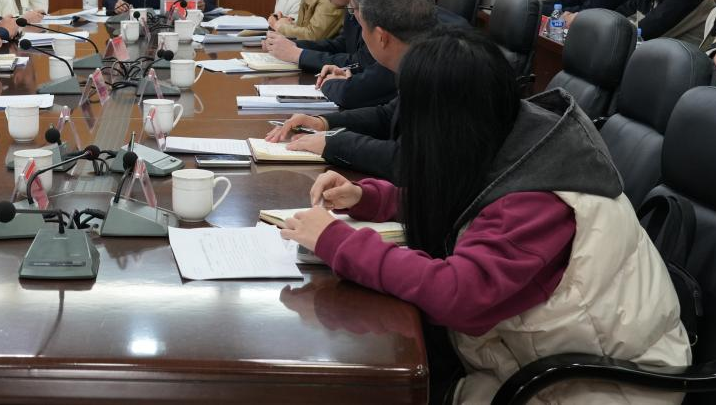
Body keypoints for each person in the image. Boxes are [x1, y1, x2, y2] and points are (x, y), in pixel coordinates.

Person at [278, 27, 689, 404]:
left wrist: (337, 241)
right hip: (534, 357)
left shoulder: (538, 196)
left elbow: (459, 295)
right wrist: (368, 197)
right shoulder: (510, 134)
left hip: (598, 387)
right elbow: (466, 200)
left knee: (366, 380)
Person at [266, 0, 456, 176]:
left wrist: (334, 144)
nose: (362, 38)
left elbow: (407, 161)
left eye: (363, 29)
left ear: (381, 37)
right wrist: (322, 122)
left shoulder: (442, 72)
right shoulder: (426, 55)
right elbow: (388, 116)